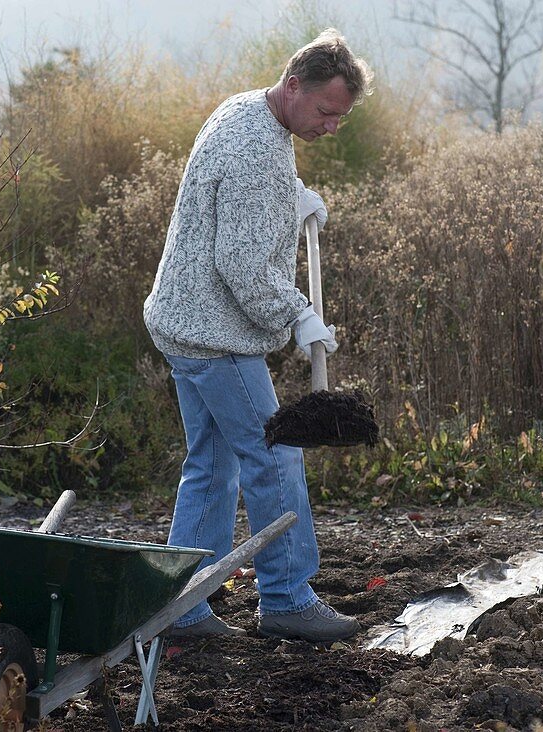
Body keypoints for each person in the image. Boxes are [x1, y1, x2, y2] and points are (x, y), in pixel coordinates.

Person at [143, 29, 373, 642]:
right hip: (214, 336)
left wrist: (289, 200)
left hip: (182, 321)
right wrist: (297, 313)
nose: (330, 127)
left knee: (211, 465)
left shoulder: (251, 110)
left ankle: (182, 607)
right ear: (294, 85)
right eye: (326, 112)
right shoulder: (256, 151)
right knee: (276, 455)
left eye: (340, 118)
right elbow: (240, 264)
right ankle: (287, 597)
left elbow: (238, 211)